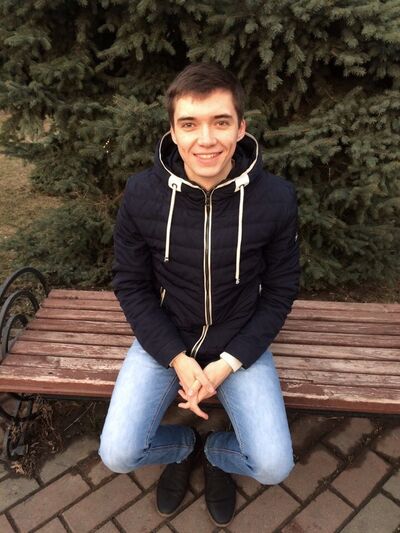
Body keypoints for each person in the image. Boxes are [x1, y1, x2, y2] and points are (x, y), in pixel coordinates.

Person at [99, 62, 300, 527]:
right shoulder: (141, 194)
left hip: (240, 341)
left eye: (220, 122)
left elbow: (281, 290)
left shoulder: (276, 198)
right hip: (165, 339)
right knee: (118, 454)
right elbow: (130, 284)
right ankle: (184, 447)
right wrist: (176, 357)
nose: (205, 139)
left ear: (241, 127)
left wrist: (228, 362)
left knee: (273, 466)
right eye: (189, 124)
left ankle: (215, 455)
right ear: (173, 132)